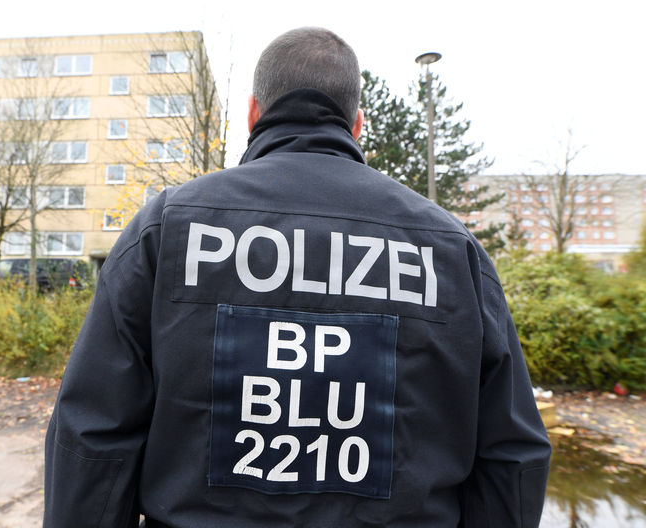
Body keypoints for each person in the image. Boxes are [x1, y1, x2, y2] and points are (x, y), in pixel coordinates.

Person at [44, 27, 551, 527]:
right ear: (357, 124)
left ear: (252, 114)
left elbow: (95, 432)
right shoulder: (449, 249)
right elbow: (512, 453)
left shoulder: (169, 227)